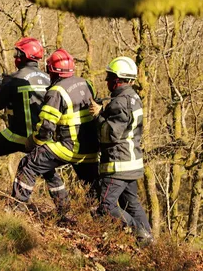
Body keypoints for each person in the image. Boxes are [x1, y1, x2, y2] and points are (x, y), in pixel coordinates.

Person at [11, 48, 99, 221]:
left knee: (29, 163)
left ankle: (16, 210)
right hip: (91, 149)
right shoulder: (87, 83)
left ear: (51, 70)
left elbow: (45, 127)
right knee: (93, 187)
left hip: (69, 148)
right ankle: (100, 221)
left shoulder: (56, 92)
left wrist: (34, 141)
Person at [89, 56, 154, 247]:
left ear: (118, 79)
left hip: (118, 165)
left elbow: (109, 134)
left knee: (106, 206)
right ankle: (149, 242)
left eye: (109, 77)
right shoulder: (133, 97)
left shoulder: (120, 102)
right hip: (132, 164)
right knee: (132, 204)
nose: (106, 80)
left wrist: (98, 115)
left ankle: (139, 233)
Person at [0, 37, 50, 188]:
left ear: (25, 56)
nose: (15, 57)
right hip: (42, 137)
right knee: (48, 169)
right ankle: (64, 204)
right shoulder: (49, 78)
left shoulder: (14, 79)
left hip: (19, 136)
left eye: (18, 53)